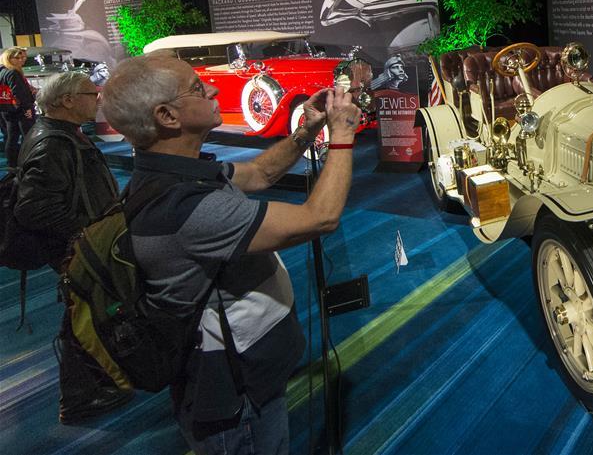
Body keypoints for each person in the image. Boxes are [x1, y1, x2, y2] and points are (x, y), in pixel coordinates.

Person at [100, 51, 361, 454]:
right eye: (196, 88)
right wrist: (342, 134)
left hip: (243, 377)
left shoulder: (170, 174)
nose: (213, 87)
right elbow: (320, 217)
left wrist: (306, 131)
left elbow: (260, 173)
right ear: (168, 116)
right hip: (232, 395)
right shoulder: (186, 208)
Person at [13, 71, 132, 423]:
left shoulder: (60, 136)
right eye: (90, 93)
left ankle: (95, 385)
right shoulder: (53, 143)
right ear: (66, 100)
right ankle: (80, 397)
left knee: (87, 314)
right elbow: (32, 207)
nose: (97, 99)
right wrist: (84, 234)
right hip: (76, 248)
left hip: (81, 246)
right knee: (81, 317)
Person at [0, 47, 36, 167]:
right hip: (20, 111)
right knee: (27, 137)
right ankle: (28, 162)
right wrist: (27, 109)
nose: (22, 60)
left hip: (8, 110)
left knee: (12, 137)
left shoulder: (3, 71)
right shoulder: (13, 72)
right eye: (18, 57)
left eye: (24, 57)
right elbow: (19, 93)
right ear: (9, 58)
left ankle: (12, 163)